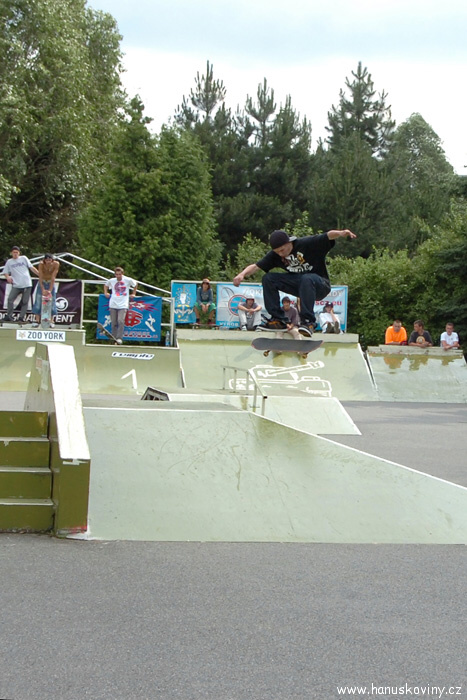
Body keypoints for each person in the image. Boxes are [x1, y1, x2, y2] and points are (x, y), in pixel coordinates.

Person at [233, 228, 356, 336]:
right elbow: (256, 266)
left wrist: (341, 233)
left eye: (282, 250)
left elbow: (327, 235)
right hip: (300, 286)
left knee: (306, 278)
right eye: (277, 252)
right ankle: (278, 320)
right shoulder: (276, 255)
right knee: (268, 278)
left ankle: (308, 322)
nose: (280, 254)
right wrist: (242, 274)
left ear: (289, 242)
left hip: (320, 285)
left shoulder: (306, 243)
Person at [2, 246, 39, 322]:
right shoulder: (9, 262)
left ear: (19, 253)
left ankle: (21, 318)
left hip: (26, 284)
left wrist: (40, 274)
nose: (15, 254)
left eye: (17, 252)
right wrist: (7, 277)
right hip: (16, 284)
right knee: (10, 299)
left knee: (25, 302)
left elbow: (31, 267)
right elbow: (5, 272)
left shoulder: (24, 258)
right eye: (14, 252)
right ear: (11, 253)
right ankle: (9, 316)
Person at [104, 266, 138, 344]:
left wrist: (134, 293)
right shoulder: (112, 280)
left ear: (122, 274)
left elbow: (135, 284)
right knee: (113, 322)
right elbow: (106, 285)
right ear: (115, 275)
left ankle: (119, 337)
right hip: (113, 304)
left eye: (120, 274)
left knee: (120, 321)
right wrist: (106, 292)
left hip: (123, 304)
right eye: (117, 274)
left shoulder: (127, 280)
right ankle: (114, 337)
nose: (118, 276)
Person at [32, 254, 60, 327]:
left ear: (52, 260)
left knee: (52, 301)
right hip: (43, 281)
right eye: (47, 260)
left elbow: (53, 277)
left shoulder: (56, 264)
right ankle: (37, 320)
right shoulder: (41, 264)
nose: (48, 262)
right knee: (38, 300)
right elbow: (40, 276)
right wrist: (43, 289)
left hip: (50, 281)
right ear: (44, 260)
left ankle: (51, 320)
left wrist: (50, 290)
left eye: (50, 260)